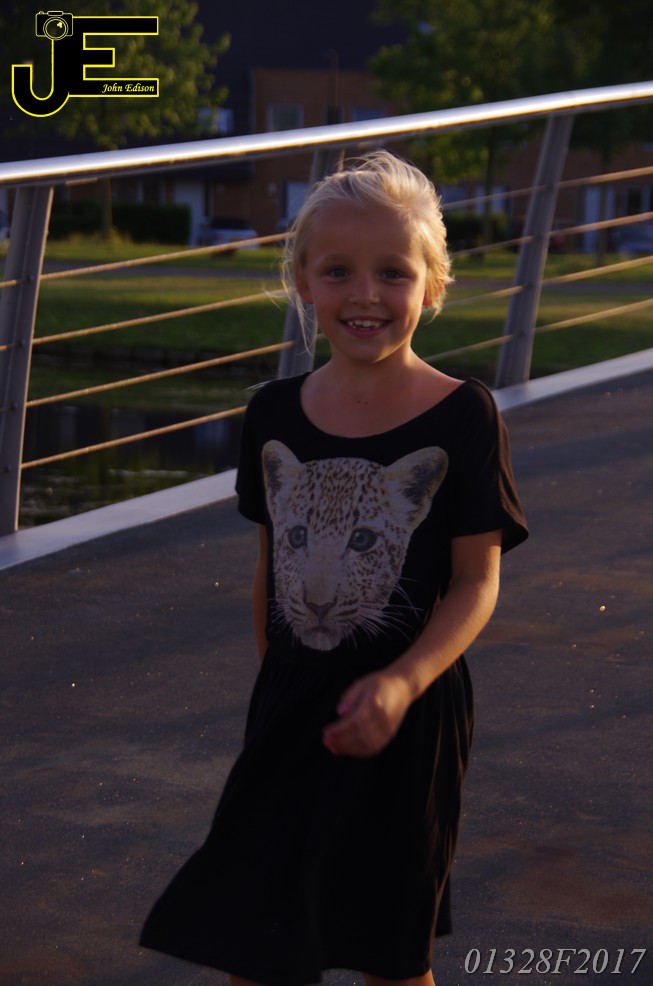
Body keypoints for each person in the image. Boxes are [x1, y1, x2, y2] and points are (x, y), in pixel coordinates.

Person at [140, 150, 528, 986]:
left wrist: (400, 683)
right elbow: (269, 571)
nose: (364, 294)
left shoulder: (463, 414)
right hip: (288, 711)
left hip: (408, 716)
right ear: (302, 283)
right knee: (252, 949)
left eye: (392, 272)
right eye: (337, 271)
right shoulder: (273, 414)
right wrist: (273, 689)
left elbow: (476, 582)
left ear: (432, 286)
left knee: (390, 959)